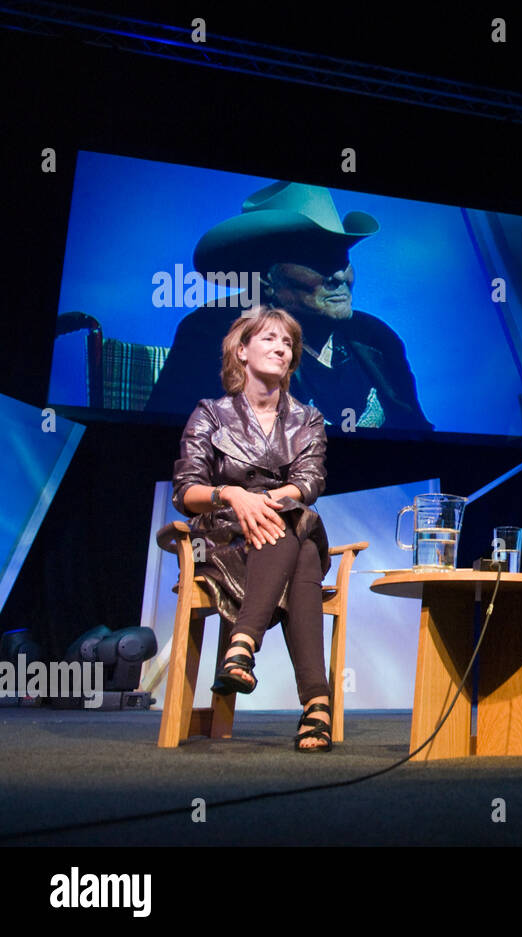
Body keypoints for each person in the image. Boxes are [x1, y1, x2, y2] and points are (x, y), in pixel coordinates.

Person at [171, 305, 334, 752]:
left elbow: (308, 483)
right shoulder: (211, 413)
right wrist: (233, 496)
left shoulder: (308, 420)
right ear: (241, 351)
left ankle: (243, 645)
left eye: (288, 344)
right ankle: (317, 704)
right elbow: (185, 490)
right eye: (270, 339)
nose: (282, 348)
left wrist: (266, 503)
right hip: (223, 543)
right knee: (297, 544)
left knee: (289, 521)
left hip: (283, 526)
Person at [147, 182, 432, 432]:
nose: (339, 275)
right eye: (318, 260)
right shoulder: (213, 333)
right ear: (267, 278)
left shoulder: (376, 339)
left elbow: (419, 439)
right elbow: (173, 443)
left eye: (342, 258)